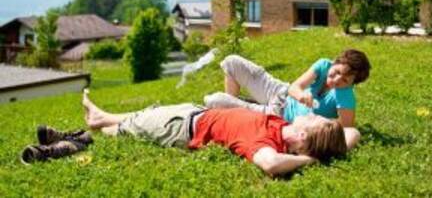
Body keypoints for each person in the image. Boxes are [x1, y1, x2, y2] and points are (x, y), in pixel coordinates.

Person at [82, 90, 347, 176]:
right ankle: (102, 117)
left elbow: (270, 164)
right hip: (195, 114)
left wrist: (310, 159)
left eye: (314, 119)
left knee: (133, 127)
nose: (311, 113)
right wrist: (324, 147)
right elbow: (353, 133)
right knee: (145, 114)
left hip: (181, 127)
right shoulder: (283, 127)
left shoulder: (266, 144)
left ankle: (102, 126)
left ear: (302, 138)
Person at [204, 49, 371, 131]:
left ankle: (232, 110)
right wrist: (301, 96)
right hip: (279, 91)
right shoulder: (323, 65)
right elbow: (294, 87)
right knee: (232, 62)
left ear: (352, 83)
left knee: (215, 100)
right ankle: (231, 116)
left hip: (277, 115)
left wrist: (317, 121)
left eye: (345, 80)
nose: (336, 81)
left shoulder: (345, 94)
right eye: (337, 72)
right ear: (335, 62)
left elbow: (347, 126)